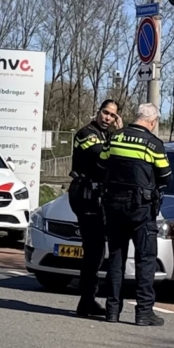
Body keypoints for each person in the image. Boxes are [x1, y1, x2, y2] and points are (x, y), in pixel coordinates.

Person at [96, 102, 172, 325]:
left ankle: (112, 311)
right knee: (145, 259)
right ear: (153, 121)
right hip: (141, 209)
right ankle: (144, 312)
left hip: (113, 205)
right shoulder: (153, 144)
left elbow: (102, 165)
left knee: (116, 258)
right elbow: (166, 176)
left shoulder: (115, 137)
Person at [68, 99, 122, 320]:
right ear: (98, 111)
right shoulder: (86, 133)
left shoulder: (107, 135)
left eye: (112, 115)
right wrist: (119, 136)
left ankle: (89, 299)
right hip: (85, 194)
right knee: (94, 249)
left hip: (98, 196)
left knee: (97, 250)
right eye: (105, 113)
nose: (107, 118)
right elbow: (102, 157)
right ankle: (86, 301)